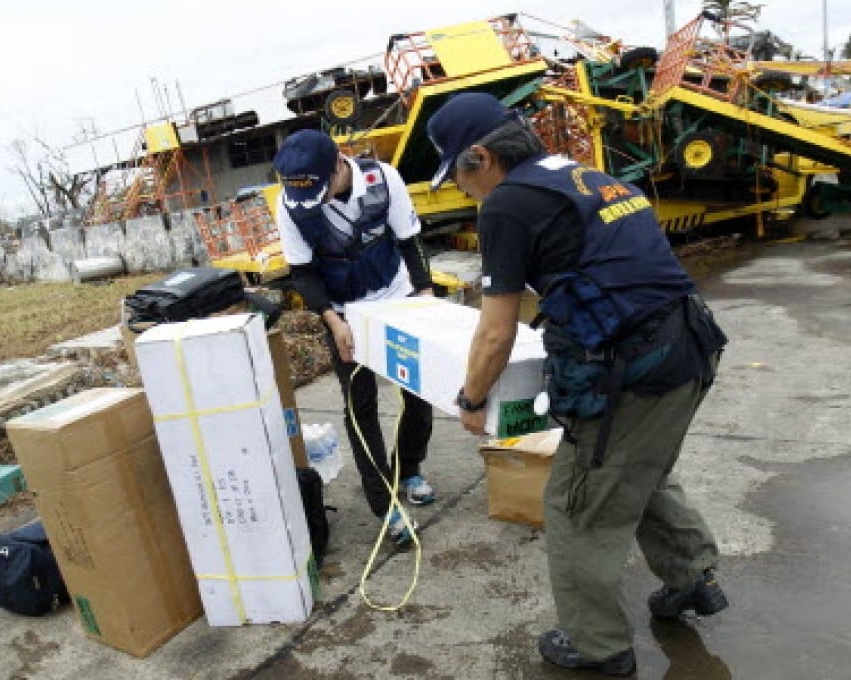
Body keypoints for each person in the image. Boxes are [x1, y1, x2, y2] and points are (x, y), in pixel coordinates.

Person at [426, 93, 729, 677]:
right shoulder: (584, 175)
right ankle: (692, 578)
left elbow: (495, 332)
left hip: (634, 372)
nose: (463, 193)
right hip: (692, 347)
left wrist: (470, 399)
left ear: (480, 157)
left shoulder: (507, 206)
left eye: (458, 179)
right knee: (637, 472)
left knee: (576, 504)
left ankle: (598, 646)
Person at [272, 129, 436, 545]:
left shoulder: (383, 179)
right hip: (344, 310)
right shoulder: (291, 206)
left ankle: (410, 467)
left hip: (395, 294)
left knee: (417, 392)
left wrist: (426, 295)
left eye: (320, 192)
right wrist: (333, 320)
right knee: (360, 405)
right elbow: (303, 273)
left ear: (338, 164)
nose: (316, 206)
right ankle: (386, 507)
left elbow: (410, 241)